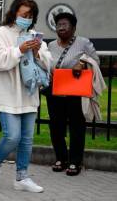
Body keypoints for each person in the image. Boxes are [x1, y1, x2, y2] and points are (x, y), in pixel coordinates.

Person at [0, 0, 51, 192]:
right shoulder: (1, 33)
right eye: (23, 14)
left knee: (27, 139)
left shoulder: (34, 35)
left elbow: (49, 63)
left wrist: (38, 53)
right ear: (14, 13)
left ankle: (22, 177)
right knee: (12, 136)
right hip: (7, 94)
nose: (27, 18)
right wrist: (19, 50)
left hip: (29, 94)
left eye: (31, 15)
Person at [46, 12, 99, 176]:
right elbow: (46, 64)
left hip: (75, 92)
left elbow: (95, 60)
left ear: (73, 27)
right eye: (58, 25)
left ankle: (75, 161)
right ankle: (61, 158)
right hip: (55, 91)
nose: (61, 27)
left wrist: (82, 63)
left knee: (77, 126)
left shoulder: (83, 43)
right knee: (56, 126)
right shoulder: (51, 46)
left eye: (65, 24)